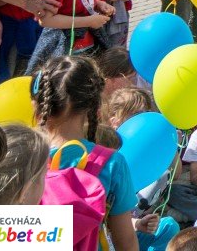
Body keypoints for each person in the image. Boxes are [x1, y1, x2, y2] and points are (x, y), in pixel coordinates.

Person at [32, 55, 139, 251]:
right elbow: (126, 242)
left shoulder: (25, 155)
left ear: (39, 103)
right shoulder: (112, 163)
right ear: (95, 106)